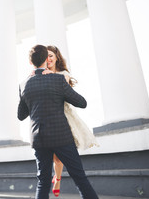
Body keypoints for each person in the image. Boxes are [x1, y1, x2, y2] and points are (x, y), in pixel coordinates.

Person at [17, 45, 98, 199]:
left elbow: (21, 115)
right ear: (44, 60)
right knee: (80, 179)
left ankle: (56, 181)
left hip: (39, 139)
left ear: (30, 62)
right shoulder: (58, 79)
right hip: (61, 136)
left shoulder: (23, 84)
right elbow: (82, 103)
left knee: (43, 182)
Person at [46, 45, 99, 197]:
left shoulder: (63, 74)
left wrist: (48, 74)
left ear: (56, 57)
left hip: (65, 116)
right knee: (56, 158)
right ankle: (57, 178)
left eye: (51, 56)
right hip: (50, 117)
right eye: (46, 57)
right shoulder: (42, 74)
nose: (48, 59)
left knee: (64, 154)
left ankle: (58, 178)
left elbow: (62, 84)